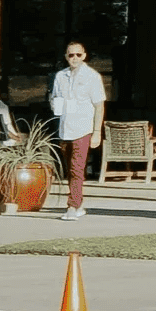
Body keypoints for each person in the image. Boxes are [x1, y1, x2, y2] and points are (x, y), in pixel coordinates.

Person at [48, 42, 107, 220]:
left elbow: (99, 105)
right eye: (71, 55)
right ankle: (79, 203)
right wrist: (54, 104)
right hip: (65, 128)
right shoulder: (60, 76)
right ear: (66, 57)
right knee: (70, 169)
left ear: (84, 56)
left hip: (84, 128)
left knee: (76, 168)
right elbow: (55, 98)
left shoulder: (92, 76)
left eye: (78, 55)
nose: (74, 58)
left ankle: (72, 206)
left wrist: (97, 132)